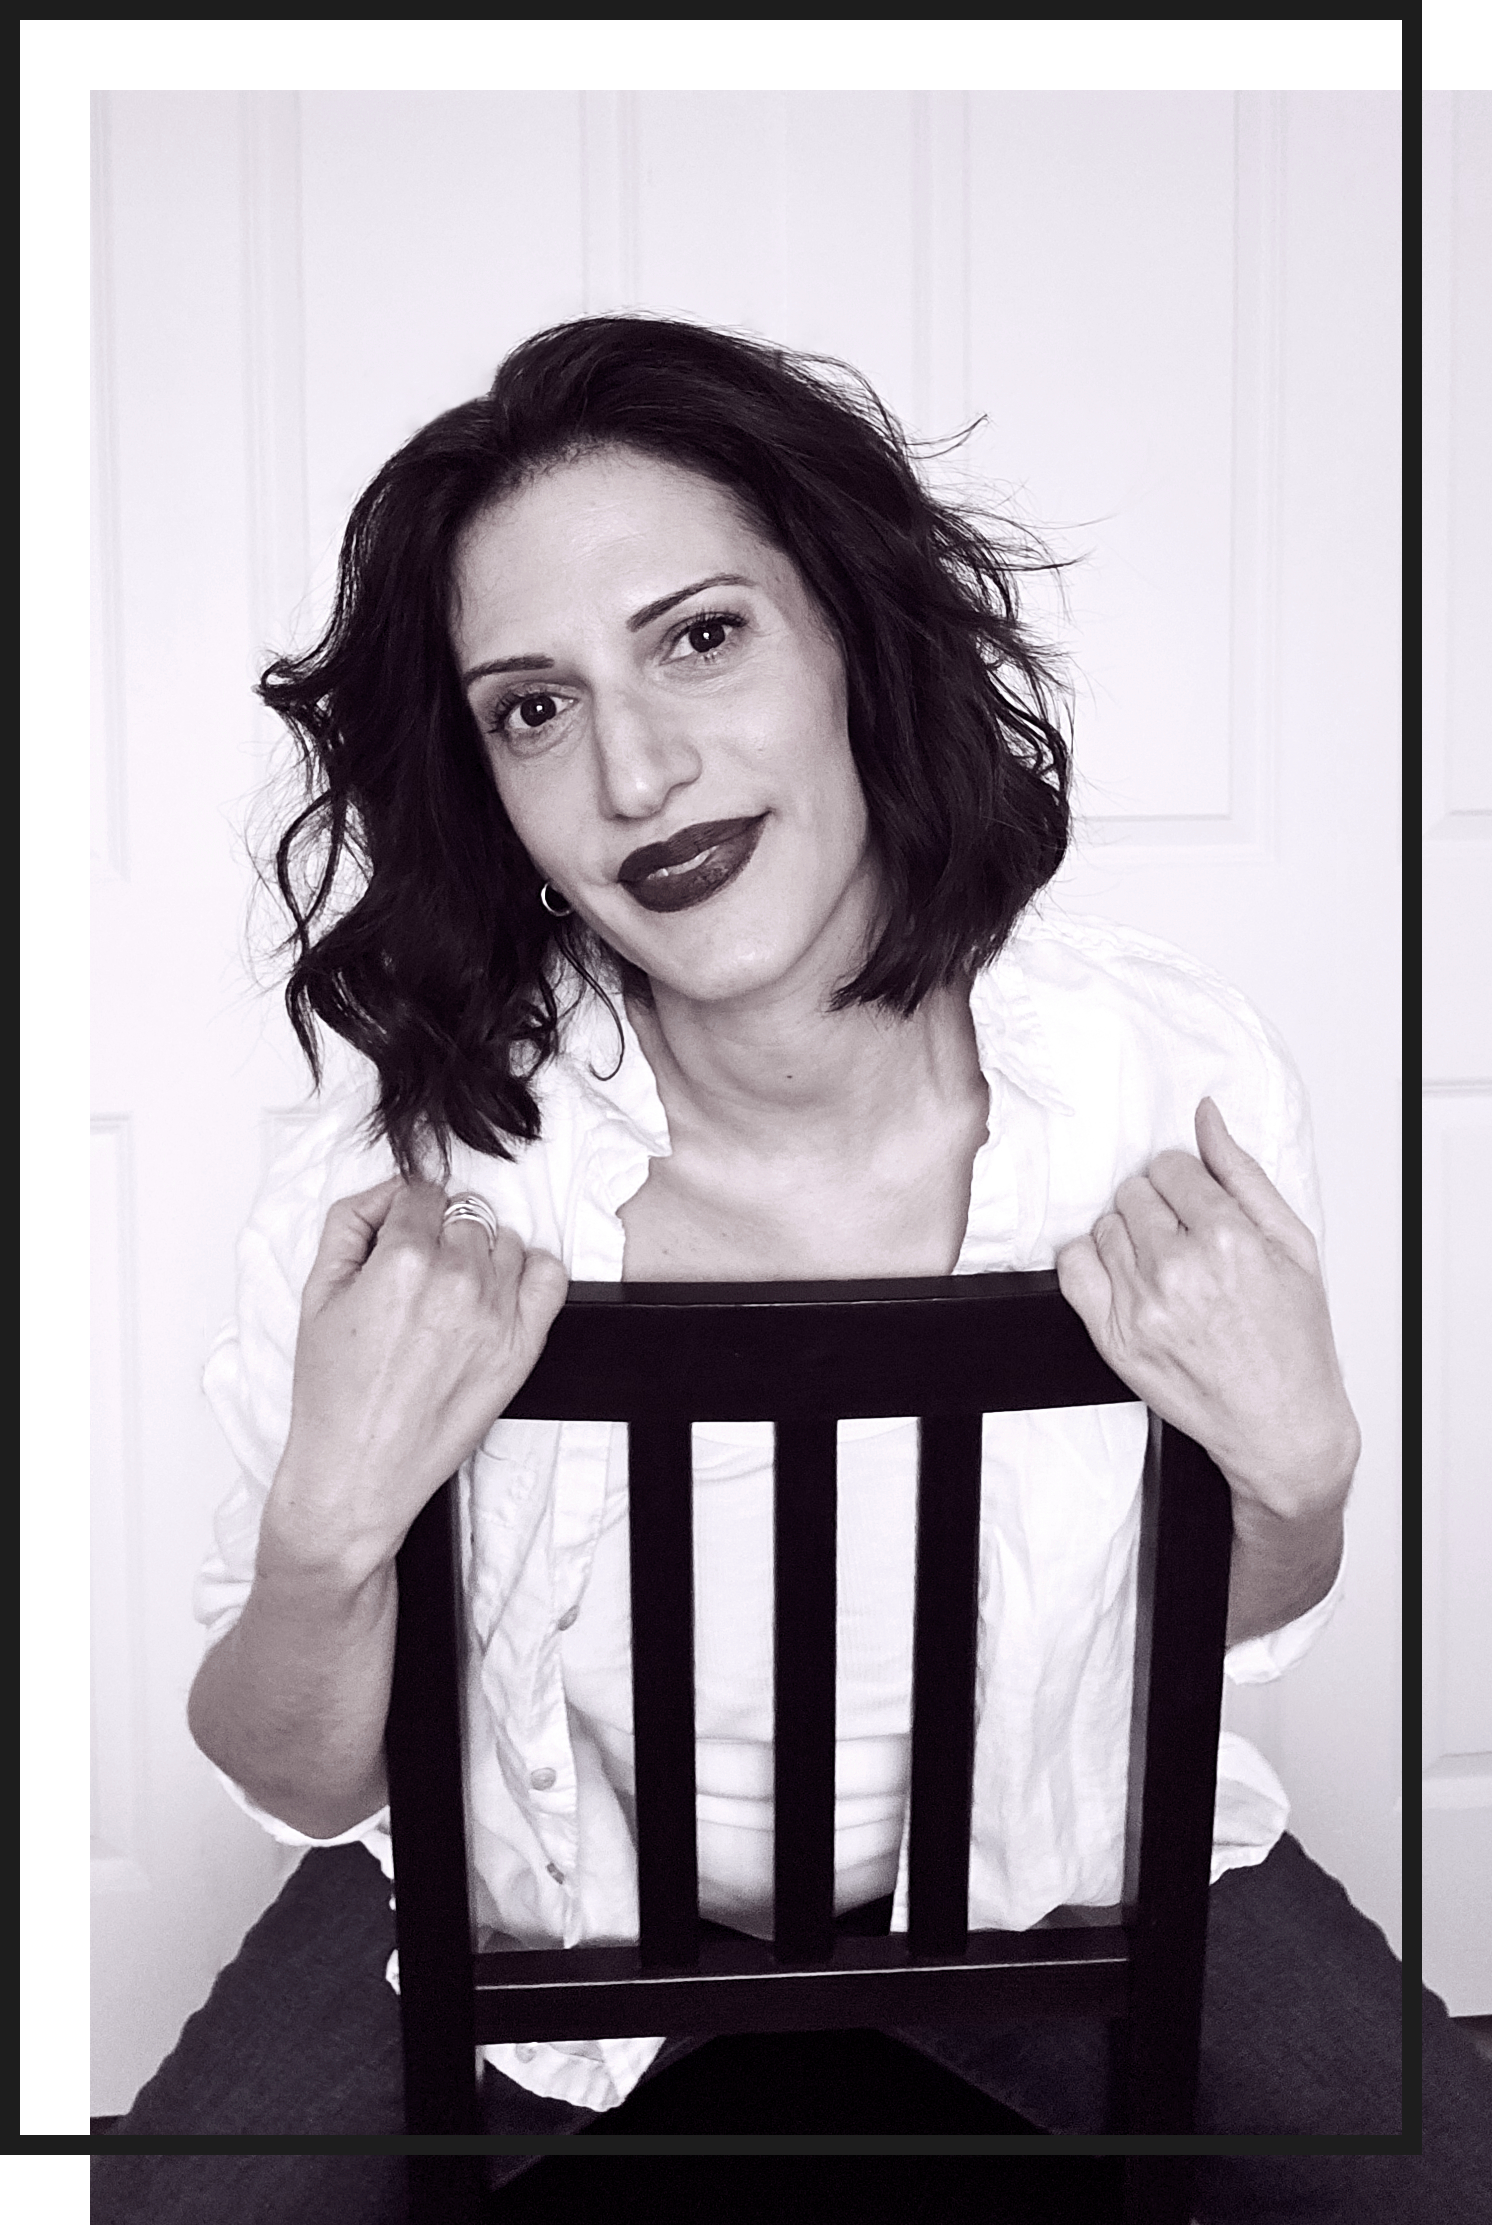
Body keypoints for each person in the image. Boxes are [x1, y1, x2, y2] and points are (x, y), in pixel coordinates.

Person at [93, 317, 1487, 2223]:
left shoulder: (1162, 1086)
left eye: (700, 636)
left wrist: (1304, 1480)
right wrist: (328, 1537)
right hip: (529, 1896)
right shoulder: (402, 1189)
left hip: (1057, 1865)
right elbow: (306, 1780)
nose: (638, 772)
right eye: (533, 707)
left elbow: (1222, 1628)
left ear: (851, 636)